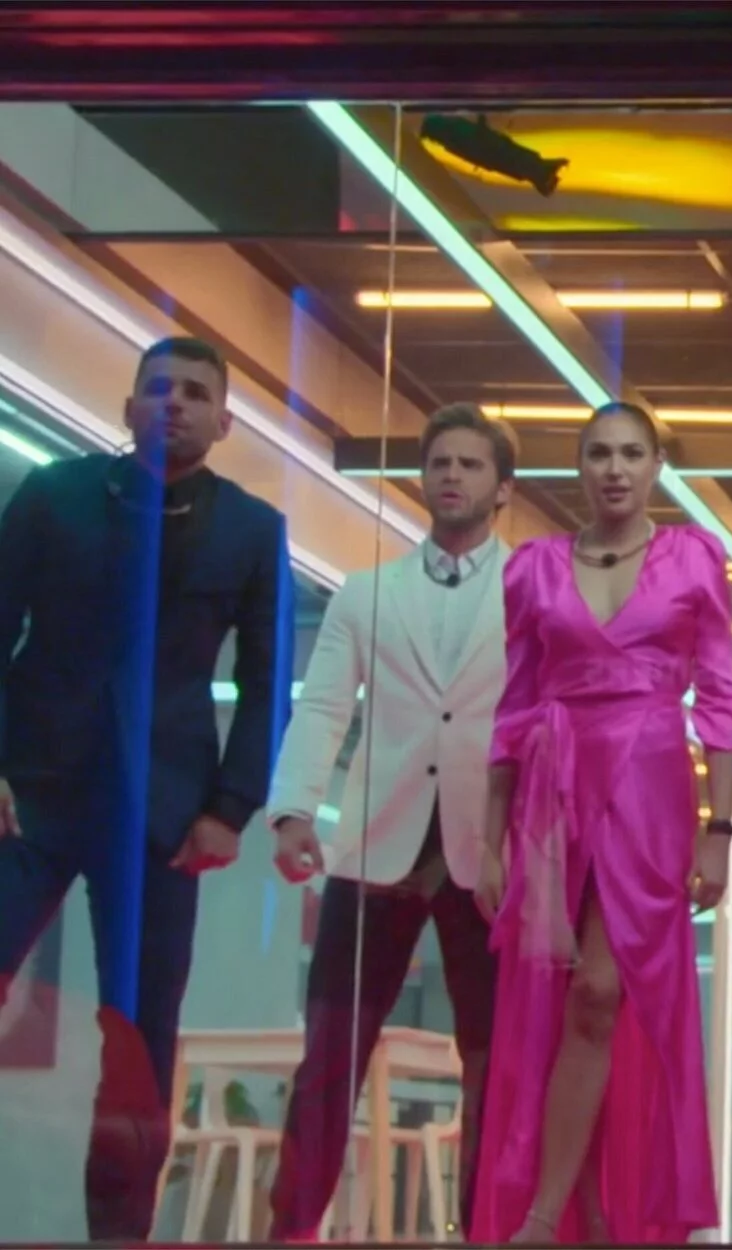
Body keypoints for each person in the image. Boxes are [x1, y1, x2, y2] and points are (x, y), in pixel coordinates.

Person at [0, 335, 287, 1240]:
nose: (176, 403)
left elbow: (266, 682)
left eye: (196, 392)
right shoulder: (55, 495)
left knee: (139, 1036)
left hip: (165, 815)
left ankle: (118, 1231)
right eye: (159, 388)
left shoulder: (253, 529)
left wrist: (229, 809)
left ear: (224, 421)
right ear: (128, 408)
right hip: (30, 796)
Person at [469, 401, 732, 1244]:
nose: (614, 469)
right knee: (559, 1002)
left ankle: (548, 1216)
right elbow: (513, 707)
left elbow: (720, 700)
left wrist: (720, 830)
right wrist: (490, 838)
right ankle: (577, 1213)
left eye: (630, 453)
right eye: (598, 454)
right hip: (552, 785)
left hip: (651, 781)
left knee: (602, 987)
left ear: (658, 465)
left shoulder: (695, 558)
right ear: (578, 466)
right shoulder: (533, 568)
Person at [263, 403, 516, 1239]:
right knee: (330, 1053)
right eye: (440, 462)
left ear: (503, 488)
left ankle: (484, 1229)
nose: (452, 476)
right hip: (376, 845)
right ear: (421, 477)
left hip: (490, 853)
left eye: (471, 465)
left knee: (492, 1061)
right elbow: (324, 705)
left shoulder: (530, 592)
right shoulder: (368, 592)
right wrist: (295, 809)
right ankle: (292, 1228)